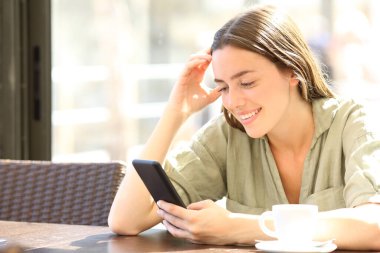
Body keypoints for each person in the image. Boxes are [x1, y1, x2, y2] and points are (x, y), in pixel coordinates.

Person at [108, 5, 380, 250]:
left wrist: (237, 227)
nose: (233, 102)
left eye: (247, 83)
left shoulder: (352, 122)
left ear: (293, 71)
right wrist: (175, 113)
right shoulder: (229, 134)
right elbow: (126, 221)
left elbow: (374, 226)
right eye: (223, 87)